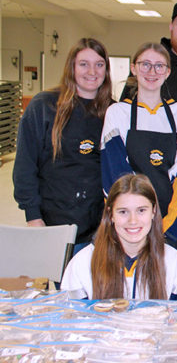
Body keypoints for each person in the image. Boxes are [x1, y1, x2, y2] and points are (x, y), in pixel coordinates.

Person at [13, 38, 112, 251]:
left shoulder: (113, 112)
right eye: (83, 64)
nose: (92, 71)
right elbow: (25, 165)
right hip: (54, 222)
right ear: (72, 67)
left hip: (99, 227)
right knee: (62, 284)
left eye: (99, 64)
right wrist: (33, 216)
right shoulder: (44, 106)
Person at [101, 43, 177, 247]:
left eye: (159, 66)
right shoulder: (118, 113)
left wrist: (167, 229)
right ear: (134, 68)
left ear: (168, 72)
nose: (152, 72)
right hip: (129, 229)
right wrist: (135, 224)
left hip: (170, 226)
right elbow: (115, 175)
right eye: (145, 64)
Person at [61, 174, 177, 300]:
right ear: (111, 215)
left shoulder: (173, 261)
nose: (133, 221)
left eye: (141, 210)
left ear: (153, 212)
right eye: (123, 212)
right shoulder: (82, 262)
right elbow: (72, 317)